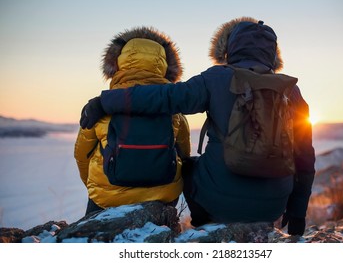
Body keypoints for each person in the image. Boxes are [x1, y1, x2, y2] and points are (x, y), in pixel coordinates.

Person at [79, 17, 316, 236]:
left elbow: (164, 97)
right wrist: (297, 213)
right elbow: (305, 159)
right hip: (273, 206)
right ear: (272, 54)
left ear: (230, 48)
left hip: (220, 203)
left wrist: (105, 102)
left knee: (189, 166)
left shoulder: (216, 79)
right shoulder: (291, 91)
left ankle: (203, 222)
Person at [74, 26, 191, 215]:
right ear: (165, 66)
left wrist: (97, 185)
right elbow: (183, 153)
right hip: (163, 196)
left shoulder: (102, 106)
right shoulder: (173, 110)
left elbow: (81, 154)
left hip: (107, 197)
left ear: (117, 63)